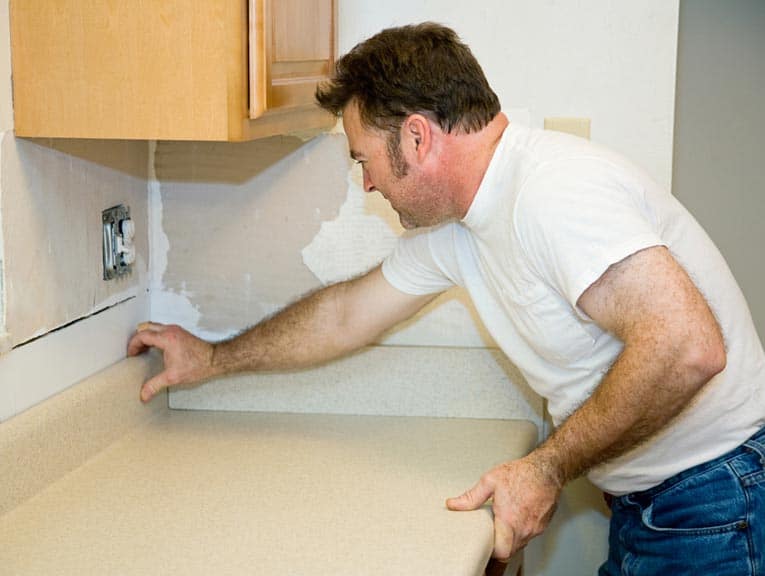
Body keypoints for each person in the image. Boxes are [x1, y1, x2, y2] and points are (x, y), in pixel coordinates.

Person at [128, 22, 765, 575]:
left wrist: (545, 469)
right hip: (666, 503)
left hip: (713, 499)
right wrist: (212, 359)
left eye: (363, 160)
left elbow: (687, 346)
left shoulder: (552, 192)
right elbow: (345, 314)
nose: (367, 183)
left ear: (416, 137)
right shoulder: (467, 225)